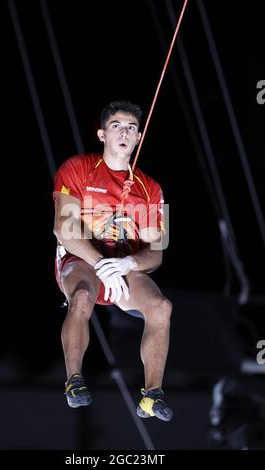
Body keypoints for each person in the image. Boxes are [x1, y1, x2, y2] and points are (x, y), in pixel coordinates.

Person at [53, 100, 173, 421]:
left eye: (132, 128)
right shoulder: (76, 168)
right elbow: (63, 230)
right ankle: (74, 381)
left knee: (162, 307)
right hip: (82, 259)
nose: (125, 132)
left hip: (123, 268)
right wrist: (100, 265)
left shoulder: (151, 188)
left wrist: (126, 265)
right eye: (117, 126)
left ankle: (152, 394)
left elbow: (155, 252)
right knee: (81, 296)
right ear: (102, 134)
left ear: (137, 139)